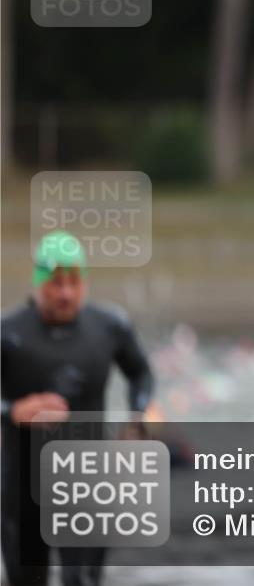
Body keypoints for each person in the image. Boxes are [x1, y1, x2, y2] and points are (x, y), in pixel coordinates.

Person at [1, 230, 155, 586]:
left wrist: (136, 419)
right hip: (21, 484)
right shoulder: (8, 333)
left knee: (81, 581)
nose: (66, 293)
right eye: (55, 283)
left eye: (74, 281)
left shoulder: (109, 327)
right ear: (39, 283)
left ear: (84, 282)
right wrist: (13, 410)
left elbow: (141, 374)